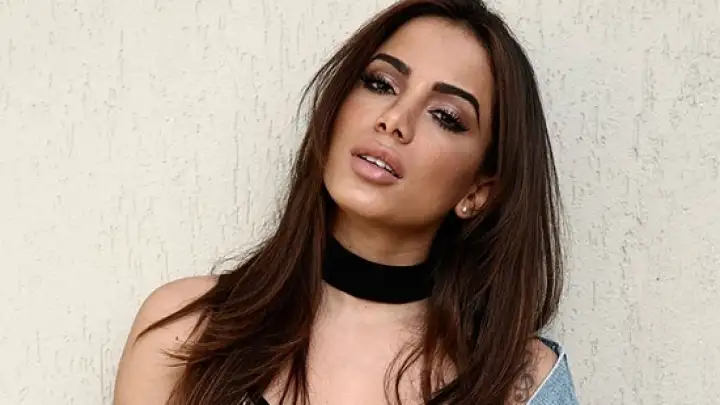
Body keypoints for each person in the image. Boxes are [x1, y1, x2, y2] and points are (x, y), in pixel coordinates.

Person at [113, 0, 580, 404]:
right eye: (381, 84)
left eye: (445, 116)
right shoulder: (187, 331)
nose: (394, 120)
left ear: (477, 191)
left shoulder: (520, 383)